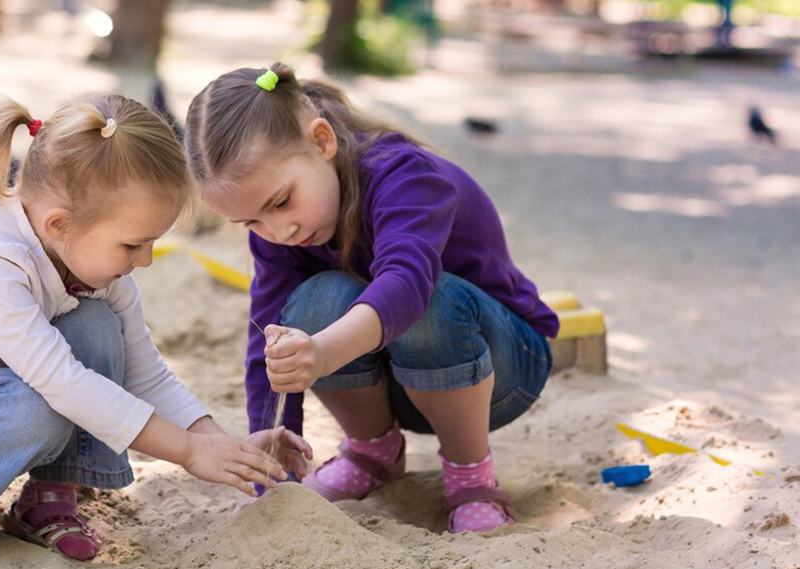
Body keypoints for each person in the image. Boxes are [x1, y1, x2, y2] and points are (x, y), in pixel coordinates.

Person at [0, 93, 312, 569]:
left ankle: (50, 495)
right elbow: (62, 383)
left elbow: (145, 372)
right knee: (40, 405)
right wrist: (185, 451)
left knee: (95, 327)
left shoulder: (97, 267)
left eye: (152, 243)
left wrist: (219, 445)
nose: (144, 259)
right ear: (59, 223)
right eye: (133, 244)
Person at [183, 64, 558, 533]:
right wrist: (272, 472)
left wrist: (321, 352)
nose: (279, 230)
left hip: (504, 370)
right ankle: (372, 452)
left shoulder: (405, 176)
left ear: (322, 141)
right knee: (314, 301)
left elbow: (406, 284)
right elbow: (268, 338)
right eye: (251, 222)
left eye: (280, 202)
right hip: (403, 383)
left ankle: (472, 478)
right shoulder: (279, 235)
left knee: (429, 301)